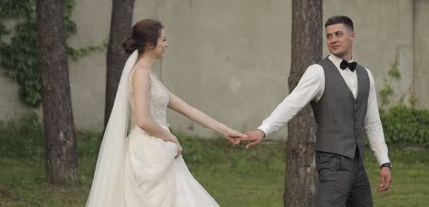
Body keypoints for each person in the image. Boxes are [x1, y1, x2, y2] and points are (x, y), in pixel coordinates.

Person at [86, 19, 242, 207]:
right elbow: (143, 120)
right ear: (150, 44)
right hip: (148, 150)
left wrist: (225, 130)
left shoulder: (149, 74)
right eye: (164, 39)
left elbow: (187, 108)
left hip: (160, 146)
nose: (167, 44)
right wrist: (170, 138)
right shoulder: (140, 74)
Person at [240, 15, 392, 206]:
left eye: (338, 34)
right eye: (329, 36)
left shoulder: (366, 75)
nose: (333, 40)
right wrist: (264, 129)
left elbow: (372, 122)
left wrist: (384, 162)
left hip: (357, 163)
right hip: (333, 161)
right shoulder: (318, 72)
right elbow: (291, 103)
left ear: (352, 36)